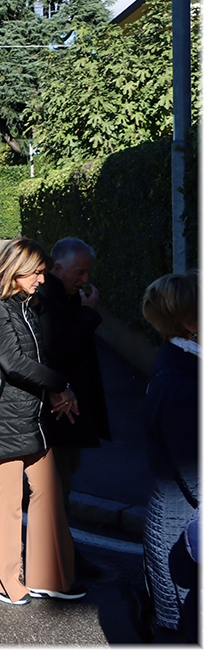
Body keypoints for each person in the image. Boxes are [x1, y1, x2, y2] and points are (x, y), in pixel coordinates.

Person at [0, 238, 82, 605]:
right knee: (7, 498)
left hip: (30, 413)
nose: (41, 279)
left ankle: (48, 576)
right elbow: (14, 363)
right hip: (0, 416)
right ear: (15, 270)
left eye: (43, 273)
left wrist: (54, 392)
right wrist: (60, 384)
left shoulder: (23, 305)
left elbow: (36, 359)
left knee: (48, 491)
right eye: (36, 272)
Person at [139, 272, 199, 642]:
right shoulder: (182, 385)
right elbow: (197, 476)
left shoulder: (180, 364)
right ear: (191, 323)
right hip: (184, 531)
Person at [35, 238, 111, 519]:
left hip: (68, 407)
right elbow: (59, 349)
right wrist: (88, 314)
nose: (85, 279)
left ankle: (58, 541)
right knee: (57, 485)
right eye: (79, 272)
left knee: (64, 477)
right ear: (58, 268)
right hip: (57, 409)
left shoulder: (67, 297)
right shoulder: (47, 300)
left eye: (87, 272)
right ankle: (56, 544)